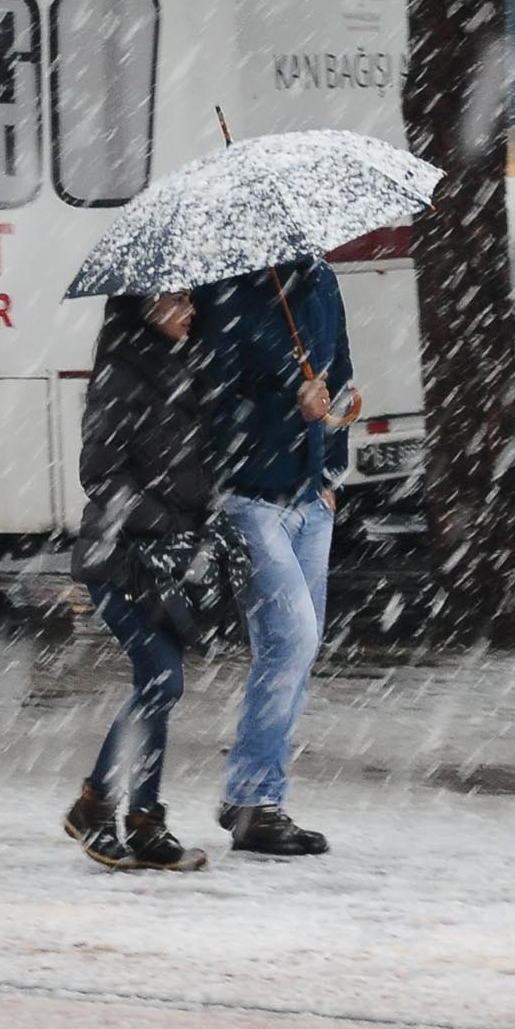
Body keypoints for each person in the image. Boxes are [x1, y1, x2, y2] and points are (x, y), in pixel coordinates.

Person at [193, 256, 353, 856]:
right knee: (291, 641)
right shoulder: (229, 291)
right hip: (249, 497)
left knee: (295, 653)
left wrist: (330, 466)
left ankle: (253, 797)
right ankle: (255, 798)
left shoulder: (322, 282)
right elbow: (210, 396)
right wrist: (289, 404)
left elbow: (341, 372)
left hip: (311, 495)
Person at [62, 291, 212, 872]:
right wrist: (162, 521)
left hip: (166, 561)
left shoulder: (184, 365)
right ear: (144, 307)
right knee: (162, 680)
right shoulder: (120, 376)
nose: (190, 310)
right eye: (177, 300)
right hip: (121, 560)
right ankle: (95, 806)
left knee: (159, 686)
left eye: (190, 299)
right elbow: (100, 473)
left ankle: (145, 822)